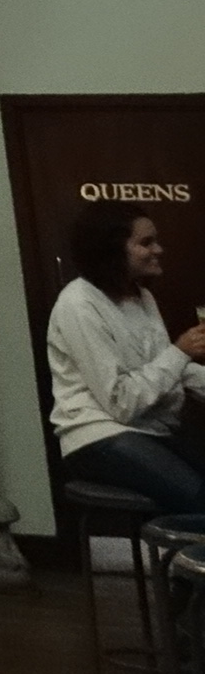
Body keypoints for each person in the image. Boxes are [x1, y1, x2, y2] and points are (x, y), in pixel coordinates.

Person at [46, 201, 205, 510]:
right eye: (146, 242)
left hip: (153, 431)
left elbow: (170, 369)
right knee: (199, 499)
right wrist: (179, 351)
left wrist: (179, 356)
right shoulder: (78, 304)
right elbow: (121, 403)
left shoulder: (142, 296)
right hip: (99, 436)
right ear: (112, 250)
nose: (158, 249)